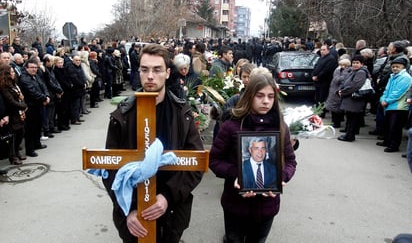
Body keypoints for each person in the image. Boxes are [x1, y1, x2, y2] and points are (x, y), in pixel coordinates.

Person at [102, 44, 204, 243]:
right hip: (134, 216)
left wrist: (167, 197)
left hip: (172, 211)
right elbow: (110, 167)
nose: (150, 76)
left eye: (157, 70)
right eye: (144, 69)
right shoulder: (122, 115)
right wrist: (128, 209)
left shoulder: (182, 113)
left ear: (167, 73)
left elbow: (195, 164)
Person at [209, 72, 297, 243]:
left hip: (267, 206)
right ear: (250, 96)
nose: (266, 101)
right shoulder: (232, 125)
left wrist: (282, 177)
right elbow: (214, 160)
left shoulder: (280, 125)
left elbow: (290, 161)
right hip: (236, 204)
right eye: (260, 96)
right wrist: (237, 174)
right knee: (233, 240)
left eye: (271, 97)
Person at [377, 57, 412, 152]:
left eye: (397, 66)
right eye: (393, 66)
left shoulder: (406, 77)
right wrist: (382, 99)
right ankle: (387, 141)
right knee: (388, 125)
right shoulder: (392, 76)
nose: (395, 68)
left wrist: (386, 100)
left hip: (399, 107)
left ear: (403, 67)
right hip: (389, 105)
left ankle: (394, 145)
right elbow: (387, 90)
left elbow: (398, 93)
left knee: (395, 127)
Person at [18, 58, 50, 157]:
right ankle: (30, 149)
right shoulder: (24, 78)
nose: (34, 69)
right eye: (31, 67)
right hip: (30, 106)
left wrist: (47, 96)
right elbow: (32, 92)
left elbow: (43, 86)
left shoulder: (36, 76)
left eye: (35, 67)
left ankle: (37, 143)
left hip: (39, 104)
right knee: (30, 129)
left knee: (38, 126)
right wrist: (44, 98)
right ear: (26, 68)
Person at [337, 55, 369, 142]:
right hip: (350, 98)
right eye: (353, 63)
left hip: (355, 98)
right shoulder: (354, 71)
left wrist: (343, 92)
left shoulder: (361, 72)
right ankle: (348, 134)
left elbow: (355, 85)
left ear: (362, 64)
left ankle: (350, 136)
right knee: (350, 117)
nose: (355, 64)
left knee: (353, 118)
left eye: (357, 63)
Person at [0, 64, 27, 164]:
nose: (13, 73)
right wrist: (22, 106)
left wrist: (23, 104)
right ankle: (13, 156)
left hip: (20, 112)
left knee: (21, 132)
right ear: (6, 74)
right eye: (11, 72)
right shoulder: (4, 87)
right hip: (12, 113)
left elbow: (19, 95)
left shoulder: (14, 83)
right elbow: (10, 101)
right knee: (13, 136)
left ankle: (17, 152)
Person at [312, 45, 338, 117]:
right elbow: (316, 66)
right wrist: (313, 75)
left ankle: (321, 113)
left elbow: (326, 70)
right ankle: (317, 111)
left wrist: (318, 76)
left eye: (324, 50)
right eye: (321, 50)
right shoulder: (321, 58)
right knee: (317, 97)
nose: (322, 51)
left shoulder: (331, 59)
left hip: (324, 81)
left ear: (328, 50)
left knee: (322, 98)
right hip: (318, 81)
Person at [325, 58, 351, 128]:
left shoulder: (346, 72)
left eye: (342, 65)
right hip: (334, 91)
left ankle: (337, 123)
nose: (340, 66)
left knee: (337, 109)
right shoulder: (341, 71)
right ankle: (335, 121)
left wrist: (337, 72)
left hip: (338, 92)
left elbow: (337, 80)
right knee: (334, 108)